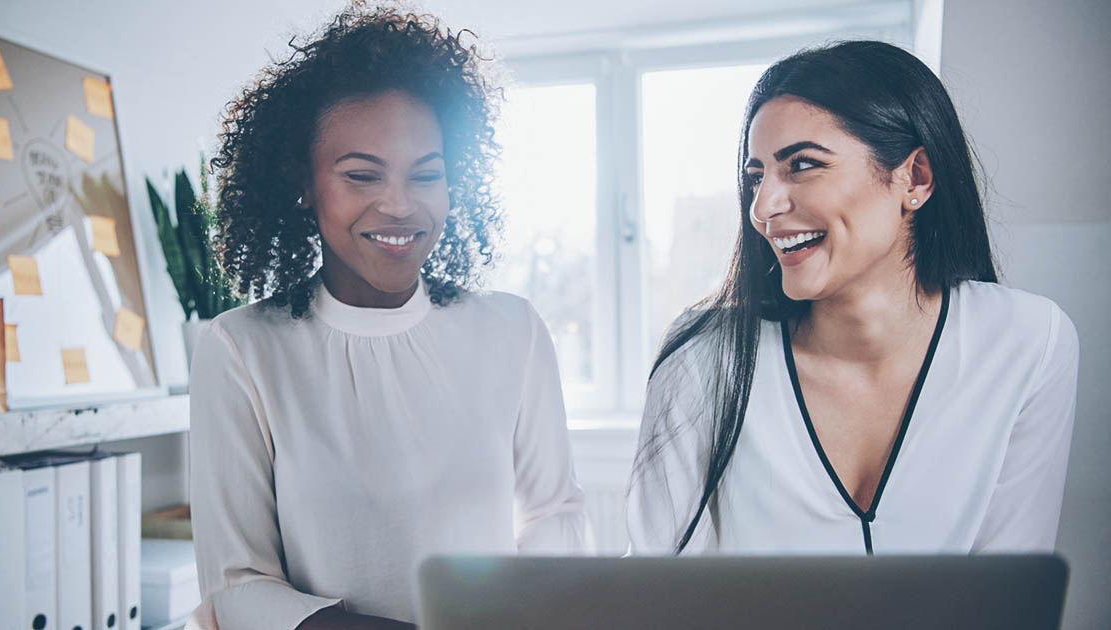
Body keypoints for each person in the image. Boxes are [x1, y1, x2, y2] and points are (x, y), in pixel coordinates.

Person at [188, 6, 588, 629]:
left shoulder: (513, 331)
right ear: (304, 184)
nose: (400, 204)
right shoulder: (242, 349)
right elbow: (237, 586)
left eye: (426, 174)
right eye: (361, 175)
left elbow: (554, 515)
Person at [627, 41, 1079, 556]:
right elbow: (659, 591)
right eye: (756, 177)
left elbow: (1009, 593)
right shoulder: (702, 360)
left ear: (915, 177)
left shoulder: (1030, 343)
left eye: (801, 164)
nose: (763, 207)